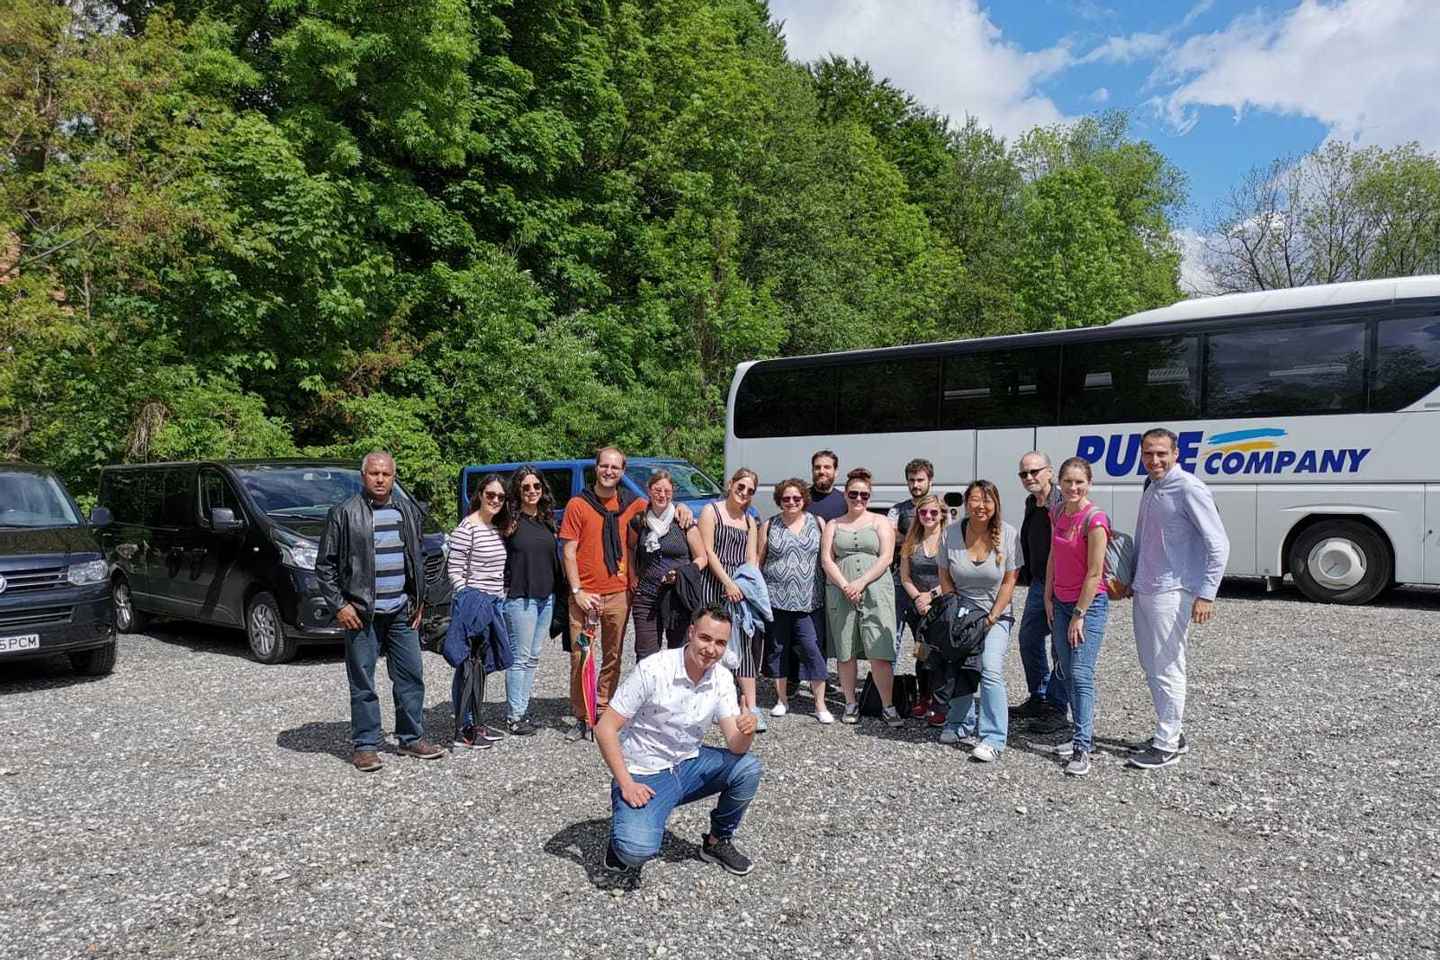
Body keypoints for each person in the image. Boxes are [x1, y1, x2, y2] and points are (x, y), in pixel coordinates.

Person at [596, 604, 763, 877]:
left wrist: (746, 730)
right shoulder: (654, 669)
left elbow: (736, 746)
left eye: (720, 643)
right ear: (691, 632)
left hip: (687, 762)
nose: (711, 649)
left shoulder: (721, 678)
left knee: (748, 768)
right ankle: (622, 830)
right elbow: (605, 728)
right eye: (705, 638)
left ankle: (716, 841)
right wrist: (626, 783)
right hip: (645, 771)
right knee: (634, 851)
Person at [316, 451, 445, 771]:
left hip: (402, 610)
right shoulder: (343, 513)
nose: (379, 479)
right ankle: (365, 744)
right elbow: (325, 567)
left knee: (411, 676)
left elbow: (419, 560)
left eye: (386, 474)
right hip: (362, 612)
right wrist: (340, 605)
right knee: (363, 681)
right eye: (373, 473)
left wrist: (419, 601)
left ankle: (411, 738)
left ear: (393, 477)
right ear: (363, 476)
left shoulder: (407, 510)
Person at [1118, 428, 1230, 770]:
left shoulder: (1189, 488)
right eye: (1149, 453)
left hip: (1172, 591)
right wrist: (1131, 578)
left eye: (1161, 453)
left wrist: (1206, 594)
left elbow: (1219, 544)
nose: (1155, 460)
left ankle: (1166, 743)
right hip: (1146, 587)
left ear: (1176, 454)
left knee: (1168, 665)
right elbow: (1146, 537)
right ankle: (1171, 732)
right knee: (1151, 664)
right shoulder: (1150, 485)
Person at [560, 447, 649, 742]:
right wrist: (578, 591)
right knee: (581, 656)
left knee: (612, 656)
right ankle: (582, 714)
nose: (609, 471)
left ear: (623, 471)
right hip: (586, 596)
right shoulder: (578, 504)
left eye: (615, 467)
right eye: (604, 466)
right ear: (595, 468)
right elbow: (569, 551)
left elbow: (663, 511)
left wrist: (684, 510)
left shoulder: (631, 504)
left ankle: (602, 708)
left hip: (618, 594)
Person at [937, 480, 1021, 763]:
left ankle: (993, 737)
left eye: (986, 500)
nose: (980, 506)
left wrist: (992, 617)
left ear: (995, 504)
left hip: (996, 614)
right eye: (974, 499)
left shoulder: (1009, 535)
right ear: (966, 502)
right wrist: (954, 610)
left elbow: (1010, 581)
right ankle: (959, 724)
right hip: (962, 614)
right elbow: (944, 574)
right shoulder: (950, 533)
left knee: (989, 668)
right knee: (959, 664)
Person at [1043, 458, 1111, 777]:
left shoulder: (1095, 520)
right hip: (1061, 601)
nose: (1073, 487)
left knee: (1081, 673)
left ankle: (1083, 746)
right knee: (1066, 671)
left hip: (1089, 606)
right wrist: (1048, 594)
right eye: (1068, 481)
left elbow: (1095, 572)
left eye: (1079, 482)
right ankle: (1077, 734)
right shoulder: (1057, 512)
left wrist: (1079, 615)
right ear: (1059, 482)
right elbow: (1054, 555)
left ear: (1089, 483)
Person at [820, 468, 901, 726]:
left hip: (876, 590)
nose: (858, 499)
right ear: (845, 494)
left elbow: (886, 557)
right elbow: (826, 559)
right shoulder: (833, 524)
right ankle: (850, 702)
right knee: (846, 650)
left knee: (879, 650)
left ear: (870, 496)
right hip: (841, 592)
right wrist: (845, 585)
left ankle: (888, 705)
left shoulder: (881, 522)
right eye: (853, 493)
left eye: (864, 495)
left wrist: (861, 582)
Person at [446, 473, 511, 747]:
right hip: (473, 604)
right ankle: (465, 728)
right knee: (467, 667)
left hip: (494, 604)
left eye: (500, 496)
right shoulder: (467, 527)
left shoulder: (495, 528)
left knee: (481, 667)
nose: (495, 500)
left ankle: (476, 721)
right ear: (480, 495)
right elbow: (454, 569)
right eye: (490, 495)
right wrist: (467, 597)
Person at [758, 478, 830, 723]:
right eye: (786, 498)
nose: (791, 502)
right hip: (776, 600)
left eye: (796, 498)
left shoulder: (817, 523)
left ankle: (820, 704)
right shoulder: (769, 525)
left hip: (809, 601)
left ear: (804, 500)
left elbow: (825, 559)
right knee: (777, 649)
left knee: (812, 649)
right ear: (780, 500)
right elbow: (759, 560)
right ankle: (782, 700)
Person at [698, 468, 763, 727]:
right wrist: (727, 582)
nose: (744, 493)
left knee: (744, 644)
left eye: (750, 491)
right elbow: (709, 552)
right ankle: (711, 701)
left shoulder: (749, 521)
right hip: (714, 585)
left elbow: (751, 559)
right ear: (730, 484)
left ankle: (751, 705)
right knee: (712, 643)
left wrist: (745, 587)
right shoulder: (711, 511)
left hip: (740, 589)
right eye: (741, 487)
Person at [499, 466, 558, 737]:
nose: (532, 491)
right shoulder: (509, 522)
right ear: (518, 492)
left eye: (536, 486)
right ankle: (514, 716)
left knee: (533, 657)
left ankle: (521, 709)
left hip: (546, 597)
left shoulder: (547, 520)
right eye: (526, 487)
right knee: (520, 658)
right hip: (521, 598)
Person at [628, 469, 707, 660]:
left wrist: (682, 573)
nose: (662, 495)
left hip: (677, 596)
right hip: (647, 596)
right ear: (648, 490)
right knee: (646, 656)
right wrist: (633, 576)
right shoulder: (640, 521)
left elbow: (702, 557)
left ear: (673, 492)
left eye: (667, 491)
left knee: (679, 654)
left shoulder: (683, 521)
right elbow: (631, 549)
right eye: (657, 490)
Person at [1014, 451, 1067, 723]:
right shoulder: (1031, 502)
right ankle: (1040, 695)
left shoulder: (1063, 502)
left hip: (1062, 585)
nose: (1029, 477)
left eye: (1035, 471)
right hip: (1038, 583)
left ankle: (1057, 708)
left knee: (1061, 646)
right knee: (1029, 639)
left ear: (1050, 471)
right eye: (1024, 473)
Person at [898, 493, 946, 724]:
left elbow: (954, 577)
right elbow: (904, 576)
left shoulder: (949, 540)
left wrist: (931, 596)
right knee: (921, 654)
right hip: (917, 609)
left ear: (941, 514)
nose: (928, 516)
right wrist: (918, 598)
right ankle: (924, 697)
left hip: (943, 605)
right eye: (923, 512)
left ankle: (941, 702)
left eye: (933, 512)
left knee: (942, 654)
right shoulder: (910, 540)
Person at [887, 458, 933, 640]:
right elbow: (890, 537)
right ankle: (887, 670)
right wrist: (924, 538)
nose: (915, 485)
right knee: (892, 635)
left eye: (920, 480)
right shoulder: (897, 509)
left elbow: (943, 541)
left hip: (930, 584)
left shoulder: (939, 510)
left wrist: (903, 537)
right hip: (900, 580)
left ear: (930, 481)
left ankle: (924, 670)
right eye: (911, 480)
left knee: (927, 637)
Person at [805, 449, 847, 521]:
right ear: (812, 471)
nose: (821, 471)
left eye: (827, 467)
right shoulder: (801, 499)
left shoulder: (845, 501)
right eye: (817, 467)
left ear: (836, 472)